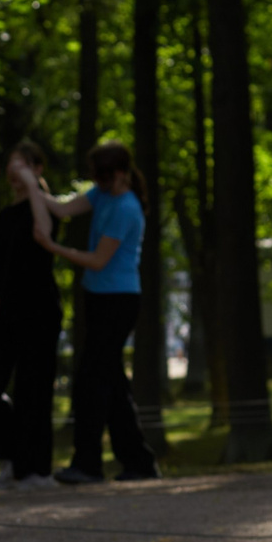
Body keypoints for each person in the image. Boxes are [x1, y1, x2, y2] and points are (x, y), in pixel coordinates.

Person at [39, 141, 160, 483]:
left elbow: (98, 260)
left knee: (91, 382)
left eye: (104, 177)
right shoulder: (102, 194)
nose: (99, 182)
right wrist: (31, 183)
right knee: (112, 384)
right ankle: (139, 462)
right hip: (97, 296)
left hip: (118, 300)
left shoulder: (126, 208)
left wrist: (54, 248)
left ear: (120, 174)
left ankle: (89, 463)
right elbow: (61, 210)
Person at [0, 141, 63, 490]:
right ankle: (12, 458)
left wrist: (32, 187)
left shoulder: (46, 208)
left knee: (35, 388)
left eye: (23, 164)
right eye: (13, 164)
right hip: (8, 310)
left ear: (37, 168)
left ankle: (36, 469)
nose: (15, 171)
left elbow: (44, 234)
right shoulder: (4, 216)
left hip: (40, 309)